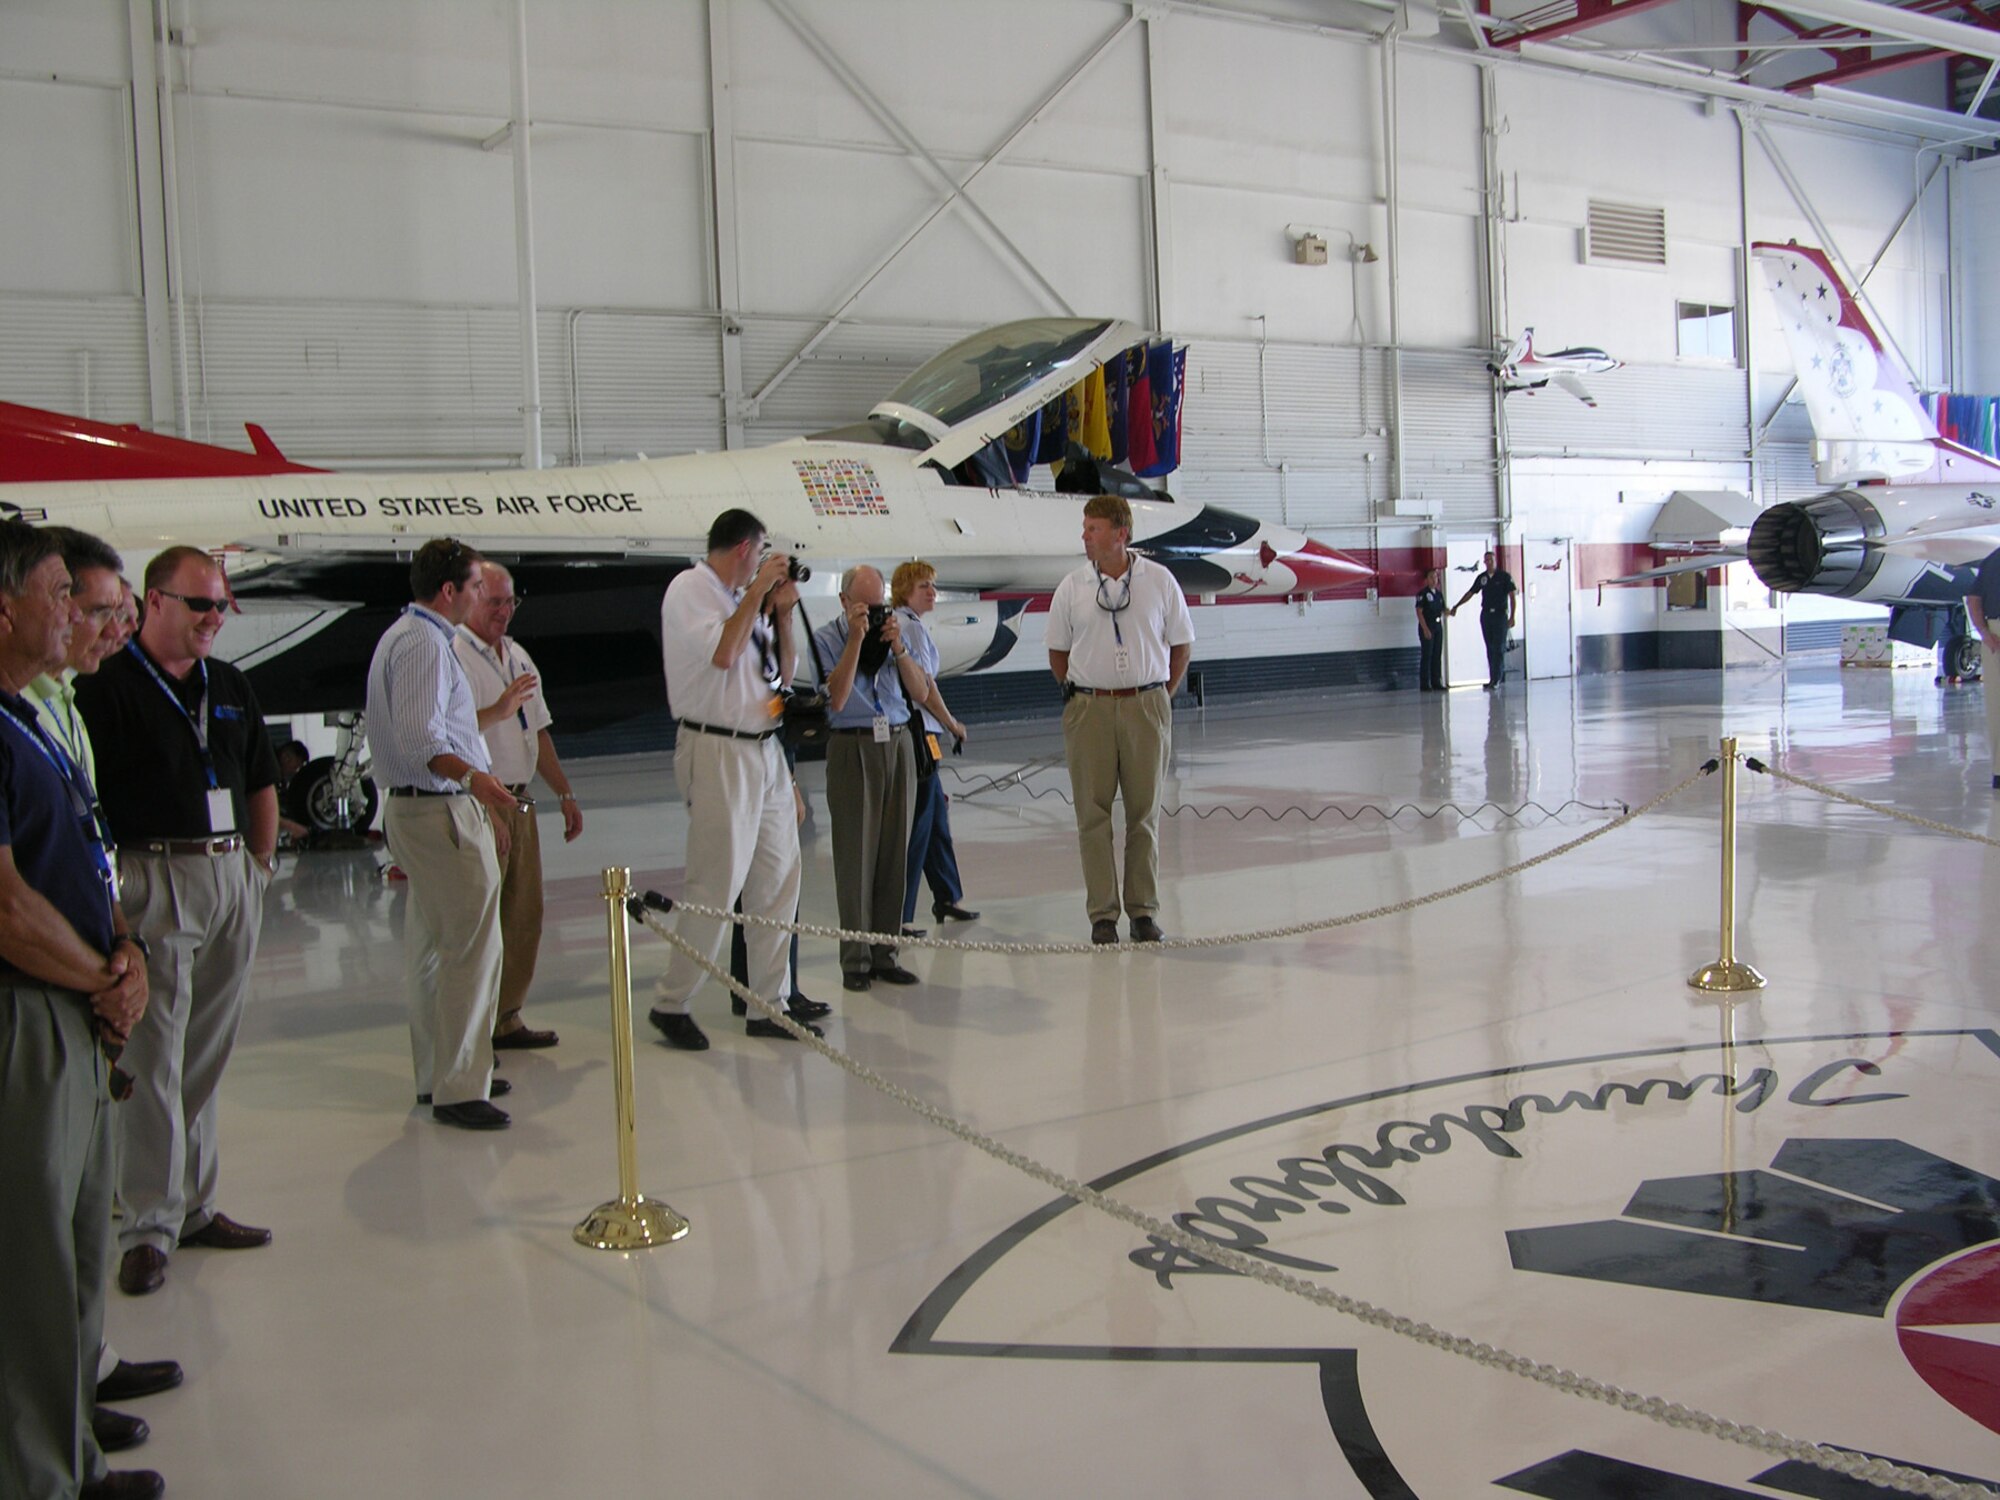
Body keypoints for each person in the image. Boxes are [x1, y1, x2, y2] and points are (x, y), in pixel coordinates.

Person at [0, 520, 163, 1500]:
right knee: (30, 1267)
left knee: (73, 1253)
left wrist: (126, 953)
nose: (79, 614)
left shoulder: (30, 718)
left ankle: (72, 1457)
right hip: (30, 1014)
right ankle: (37, 1476)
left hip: (76, 1007)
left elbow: (83, 861)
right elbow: (8, 908)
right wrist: (103, 979)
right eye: (62, 594)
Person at [76, 546, 277, 1298]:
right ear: (153, 602)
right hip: (152, 876)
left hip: (229, 874)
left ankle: (194, 1206)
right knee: (154, 1056)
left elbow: (260, 779)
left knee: (206, 1049)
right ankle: (147, 1228)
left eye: (222, 605)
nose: (214, 618)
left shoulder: (229, 685)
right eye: (200, 604)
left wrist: (258, 867)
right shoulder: (106, 686)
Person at [364, 538, 519, 1129]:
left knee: (433, 950)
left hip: (425, 810)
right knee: (472, 949)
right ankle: (460, 1086)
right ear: (450, 590)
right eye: (477, 587)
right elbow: (422, 740)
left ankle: (445, 1072)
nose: (483, 596)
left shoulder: (411, 637)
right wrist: (476, 781)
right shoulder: (423, 644)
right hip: (438, 811)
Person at [647, 509, 813, 1049]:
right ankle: (672, 1001)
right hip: (717, 747)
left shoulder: (745, 601)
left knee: (779, 879)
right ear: (745, 548)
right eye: (761, 553)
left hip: (764, 747)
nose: (763, 564)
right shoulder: (690, 589)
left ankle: (770, 1004)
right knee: (716, 883)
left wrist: (781, 615)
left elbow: (782, 677)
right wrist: (758, 592)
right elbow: (723, 653)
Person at [1045, 494, 1195, 945]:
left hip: (1145, 704)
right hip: (1090, 707)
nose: (1085, 536)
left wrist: (1160, 695)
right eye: (1085, 528)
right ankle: (1102, 915)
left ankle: (1143, 911)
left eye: (1093, 528)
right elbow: (1057, 651)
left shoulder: (1159, 581)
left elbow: (1182, 644)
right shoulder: (1072, 586)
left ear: (1120, 533)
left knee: (1143, 814)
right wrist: (1079, 696)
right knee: (1091, 816)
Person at [452, 562, 581, 1051]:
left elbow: (537, 730)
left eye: (511, 602)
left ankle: (506, 1017)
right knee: (483, 921)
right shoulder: (456, 655)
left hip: (520, 798)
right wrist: (499, 710)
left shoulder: (518, 656)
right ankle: (474, 1028)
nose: (504, 611)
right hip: (481, 798)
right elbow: (453, 735)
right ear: (471, 597)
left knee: (524, 915)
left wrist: (564, 793)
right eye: (494, 602)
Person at [813, 564, 931, 992]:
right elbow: (837, 698)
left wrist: (898, 647)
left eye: (879, 605)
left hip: (897, 742)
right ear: (845, 602)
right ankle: (856, 961)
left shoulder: (897, 633)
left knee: (894, 854)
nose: (874, 613)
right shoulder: (827, 638)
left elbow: (920, 692)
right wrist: (856, 639)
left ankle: (886, 952)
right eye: (864, 605)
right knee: (856, 858)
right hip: (853, 745)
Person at [890, 561, 978, 935]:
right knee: (919, 824)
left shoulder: (908, 623)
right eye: (923, 586)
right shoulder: (909, 626)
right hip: (918, 733)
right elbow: (926, 689)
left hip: (923, 731)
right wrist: (951, 723)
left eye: (932, 585)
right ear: (905, 590)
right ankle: (901, 913)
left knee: (936, 819)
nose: (932, 592)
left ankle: (947, 895)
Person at [1450, 548, 1517, 690]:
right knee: (1490, 647)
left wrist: (1512, 617)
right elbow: (1471, 593)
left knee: (1499, 647)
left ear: (1495, 560)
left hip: (1500, 616)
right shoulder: (1482, 578)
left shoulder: (1504, 576)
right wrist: (1457, 605)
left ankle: (1497, 679)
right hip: (1486, 615)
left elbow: (1512, 597)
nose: (1489, 562)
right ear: (1484, 562)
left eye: (1491, 560)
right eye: (1486, 560)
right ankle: (1492, 678)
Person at [1971, 547, 2000, 789]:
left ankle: (1999, 772)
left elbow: (1973, 599)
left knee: (1996, 702)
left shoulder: (1992, 559)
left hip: (1993, 633)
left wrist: (1984, 632)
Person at [274, 740, 312, 845]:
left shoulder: (278, 781)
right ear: (286, 756)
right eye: (295, 767)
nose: (294, 771)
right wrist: (292, 827)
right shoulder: (266, 773)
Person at [1415, 567, 1446, 692]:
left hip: (1438, 626)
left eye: (1436, 577)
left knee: (1437, 654)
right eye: (1431, 577)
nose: (1434, 580)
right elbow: (1419, 612)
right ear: (1427, 580)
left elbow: (1442, 609)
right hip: (1427, 626)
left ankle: (1436, 681)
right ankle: (1425, 683)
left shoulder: (1438, 594)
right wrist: (1425, 629)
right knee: (1427, 655)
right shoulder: (1422, 594)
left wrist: (1449, 611)